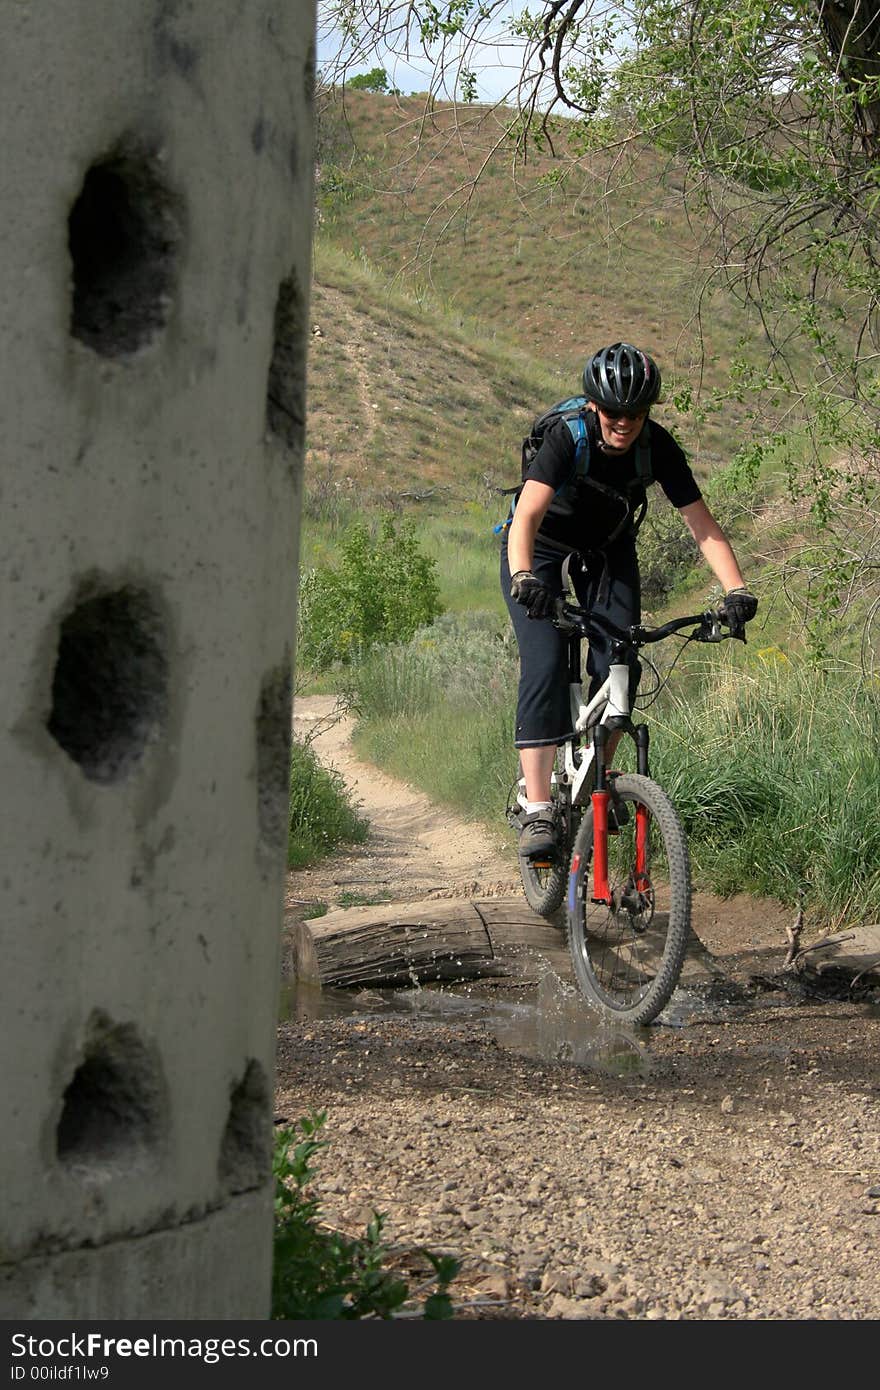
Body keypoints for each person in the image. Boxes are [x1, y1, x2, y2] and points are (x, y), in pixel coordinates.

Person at [501, 341, 758, 858]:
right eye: (614, 413)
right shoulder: (565, 438)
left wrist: (736, 590)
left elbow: (702, 525)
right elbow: (526, 518)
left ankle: (602, 776)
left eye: (635, 414)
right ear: (595, 407)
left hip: (607, 548)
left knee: (623, 660)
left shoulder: (657, 446)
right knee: (547, 662)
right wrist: (526, 577)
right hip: (540, 550)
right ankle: (537, 807)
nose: (624, 423)